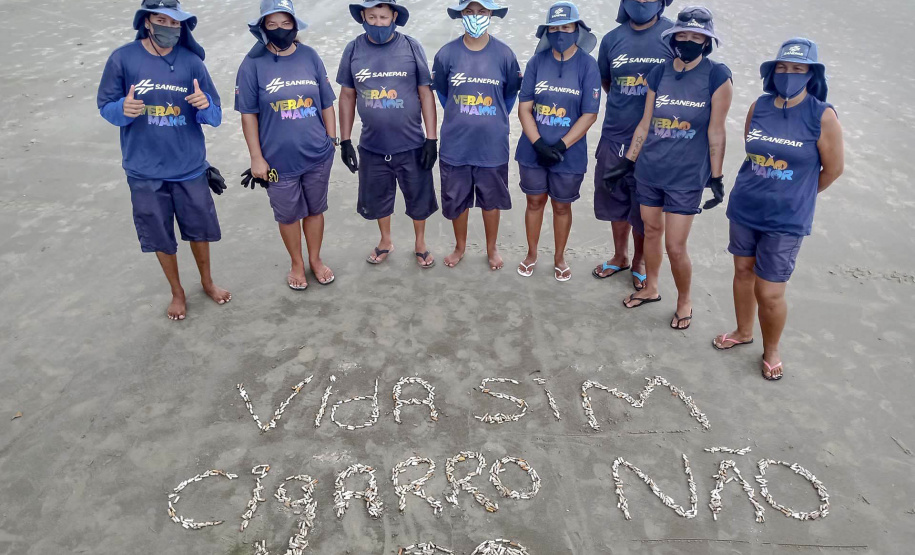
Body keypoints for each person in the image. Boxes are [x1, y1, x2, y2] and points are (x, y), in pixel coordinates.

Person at [713, 38, 844, 381]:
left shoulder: (822, 115)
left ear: (811, 74)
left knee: (770, 291)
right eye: (783, 68)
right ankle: (743, 331)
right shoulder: (760, 106)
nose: (789, 75)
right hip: (746, 205)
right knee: (743, 271)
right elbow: (750, 150)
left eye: (798, 69)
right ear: (772, 72)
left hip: (786, 219)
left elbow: (832, 169)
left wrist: (798, 194)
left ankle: (771, 349)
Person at [97, 0, 231, 321]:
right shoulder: (122, 59)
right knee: (160, 234)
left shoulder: (192, 63)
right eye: (162, 21)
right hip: (144, 170)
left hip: (189, 167)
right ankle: (177, 291)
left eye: (175, 23)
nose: (169, 28)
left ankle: (207, 282)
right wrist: (121, 111)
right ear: (146, 22)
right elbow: (105, 105)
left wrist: (203, 105)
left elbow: (215, 115)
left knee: (199, 230)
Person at [609, 6, 732, 328]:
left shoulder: (718, 76)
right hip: (650, 170)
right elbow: (645, 124)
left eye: (697, 37)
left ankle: (684, 300)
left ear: (707, 42)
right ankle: (650, 287)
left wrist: (716, 177)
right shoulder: (659, 73)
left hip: (687, 176)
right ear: (674, 38)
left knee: (675, 246)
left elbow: (716, 131)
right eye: (683, 36)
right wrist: (627, 162)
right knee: (651, 231)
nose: (689, 42)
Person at [235, 0, 338, 290]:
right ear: (263, 27)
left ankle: (315, 259)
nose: (280, 29)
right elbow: (248, 115)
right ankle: (296, 263)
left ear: (294, 25)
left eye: (285, 23)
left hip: (317, 153)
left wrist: (332, 140)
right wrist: (256, 158)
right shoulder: (252, 64)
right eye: (272, 24)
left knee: (316, 209)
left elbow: (327, 102)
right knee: (289, 214)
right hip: (277, 160)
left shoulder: (310, 56)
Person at [337, 0, 440, 268]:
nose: (378, 23)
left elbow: (425, 92)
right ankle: (385, 240)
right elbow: (347, 95)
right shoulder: (353, 48)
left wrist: (431, 138)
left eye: (384, 17)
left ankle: (420, 242)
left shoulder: (410, 45)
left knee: (418, 198)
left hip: (411, 143)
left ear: (394, 16)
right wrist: (345, 139)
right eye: (372, 17)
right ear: (363, 16)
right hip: (372, 144)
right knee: (379, 199)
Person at [432, 0, 522, 270]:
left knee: (490, 199)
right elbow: (443, 95)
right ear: (461, 15)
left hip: (491, 144)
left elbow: (509, 96)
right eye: (469, 12)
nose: (475, 16)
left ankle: (491, 248)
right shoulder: (446, 54)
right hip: (455, 143)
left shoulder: (505, 54)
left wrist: (490, 118)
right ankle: (459, 246)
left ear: (491, 14)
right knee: (456, 198)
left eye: (481, 11)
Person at [515, 1, 601, 282]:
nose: (561, 33)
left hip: (570, 152)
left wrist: (561, 145)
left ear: (577, 29)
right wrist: (538, 143)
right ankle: (531, 254)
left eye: (566, 27)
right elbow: (524, 107)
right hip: (533, 148)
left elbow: (590, 114)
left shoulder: (588, 65)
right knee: (534, 201)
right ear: (547, 32)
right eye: (555, 28)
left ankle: (560, 257)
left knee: (562, 205)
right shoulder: (536, 62)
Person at [592, 0, 673, 290]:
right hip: (615, 134)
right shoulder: (612, 39)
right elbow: (606, 81)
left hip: (656, 141)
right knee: (615, 198)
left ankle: (639, 260)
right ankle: (620, 255)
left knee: (645, 207)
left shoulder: (672, 35)